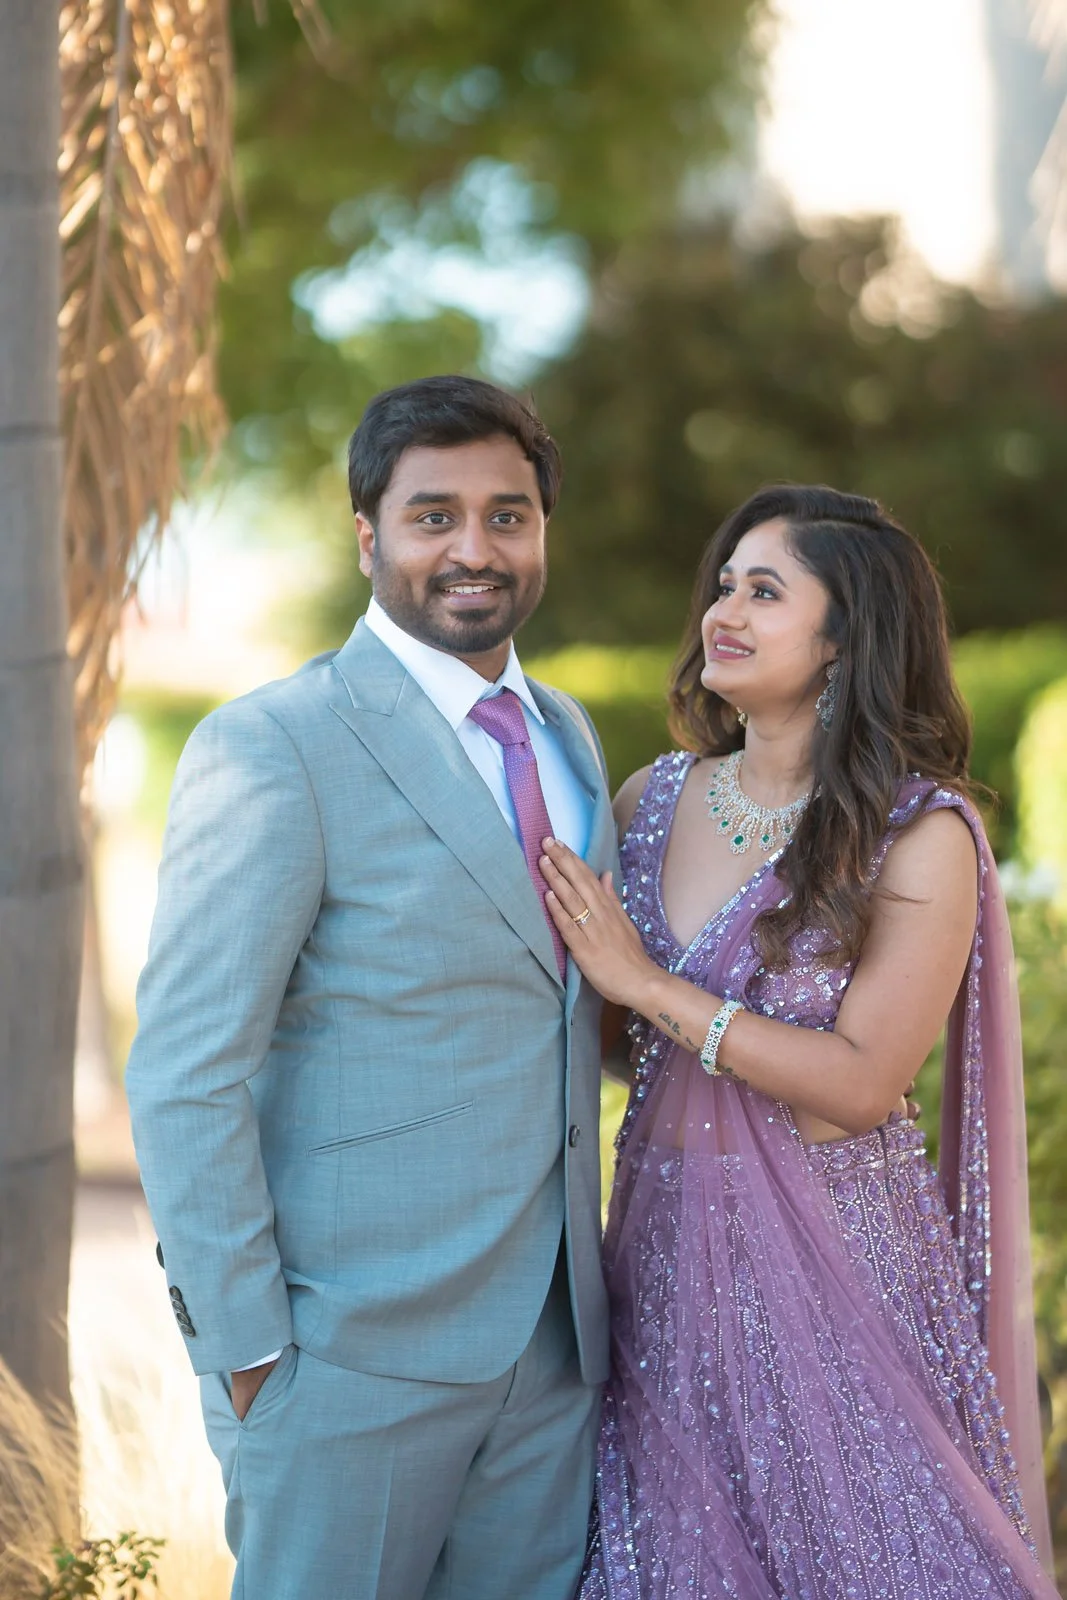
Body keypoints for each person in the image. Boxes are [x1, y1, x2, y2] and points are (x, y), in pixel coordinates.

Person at [125, 375, 616, 1600]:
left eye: (507, 516)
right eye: (432, 515)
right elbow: (186, 1073)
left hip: (552, 1359)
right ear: (367, 536)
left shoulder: (565, 735)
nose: (473, 548)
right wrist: (250, 1354)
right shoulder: (274, 745)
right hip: (343, 1363)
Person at [538, 485, 1059, 1599]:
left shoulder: (916, 834)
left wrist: (646, 983)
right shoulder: (648, 799)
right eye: (724, 584)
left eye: (764, 592)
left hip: (835, 1265)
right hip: (663, 1262)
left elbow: (862, 1083)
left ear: (843, 638)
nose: (721, 610)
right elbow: (638, 1049)